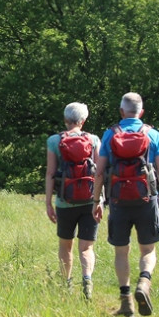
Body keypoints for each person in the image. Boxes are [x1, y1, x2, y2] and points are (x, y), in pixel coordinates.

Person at [92, 92, 159, 317]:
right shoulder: (153, 134)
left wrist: (96, 200)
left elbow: (99, 172)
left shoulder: (109, 135)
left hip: (118, 200)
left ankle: (126, 302)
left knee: (121, 251)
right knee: (148, 249)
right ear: (142, 112)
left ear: (121, 112)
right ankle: (144, 283)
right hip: (147, 198)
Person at [45, 102, 102, 300]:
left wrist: (48, 203)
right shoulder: (94, 140)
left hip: (64, 202)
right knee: (86, 247)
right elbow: (99, 173)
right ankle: (87, 280)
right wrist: (99, 201)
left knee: (65, 245)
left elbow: (51, 173)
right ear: (83, 120)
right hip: (89, 201)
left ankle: (67, 284)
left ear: (65, 120)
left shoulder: (54, 141)